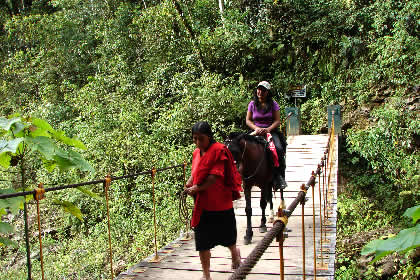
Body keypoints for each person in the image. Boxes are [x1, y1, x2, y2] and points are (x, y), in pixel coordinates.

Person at [184, 121, 242, 280]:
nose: (197, 142)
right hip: (203, 205)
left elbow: (214, 177)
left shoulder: (219, 151)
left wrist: (197, 188)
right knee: (202, 242)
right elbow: (196, 172)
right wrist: (189, 183)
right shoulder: (196, 152)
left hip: (220, 203)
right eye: (195, 139)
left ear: (209, 136)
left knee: (228, 237)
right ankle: (206, 274)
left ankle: (235, 254)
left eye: (200, 139)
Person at [245, 81, 287, 189]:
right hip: (256, 131)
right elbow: (248, 120)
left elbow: (277, 121)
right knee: (241, 147)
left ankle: (279, 177)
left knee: (278, 148)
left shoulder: (273, 104)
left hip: (270, 131)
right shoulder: (252, 104)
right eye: (259, 89)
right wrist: (256, 128)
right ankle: (244, 176)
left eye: (263, 90)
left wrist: (268, 129)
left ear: (268, 92)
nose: (260, 92)